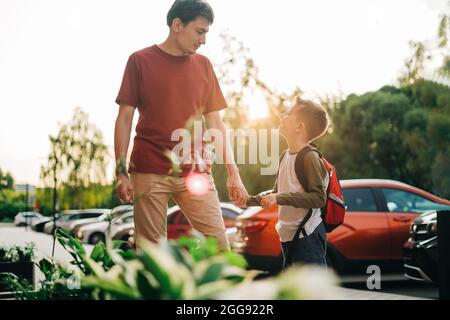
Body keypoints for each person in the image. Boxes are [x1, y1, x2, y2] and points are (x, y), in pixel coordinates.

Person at [114, 0, 247, 251]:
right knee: (152, 254)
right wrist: (121, 170)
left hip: (195, 171)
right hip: (149, 167)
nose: (203, 40)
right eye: (199, 32)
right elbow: (124, 118)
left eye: (206, 33)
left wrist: (233, 172)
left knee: (218, 246)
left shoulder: (204, 66)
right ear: (177, 25)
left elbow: (215, 123)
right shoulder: (140, 61)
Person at [246, 97, 330, 267]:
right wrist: (247, 200)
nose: (281, 116)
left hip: (308, 236)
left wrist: (280, 197)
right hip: (289, 237)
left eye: (288, 113)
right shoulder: (285, 156)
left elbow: (318, 198)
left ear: (300, 127)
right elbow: (277, 192)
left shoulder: (309, 157)